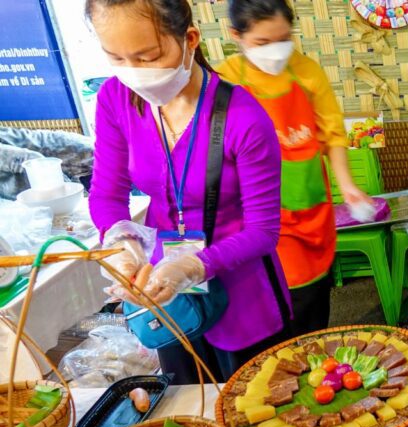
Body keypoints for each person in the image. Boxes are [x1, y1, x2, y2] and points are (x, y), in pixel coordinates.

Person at [87, 0, 291, 384]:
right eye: (116, 58)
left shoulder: (243, 117)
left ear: (190, 39)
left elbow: (264, 231)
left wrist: (193, 266)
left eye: (148, 57)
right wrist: (124, 245)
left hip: (240, 286)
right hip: (164, 289)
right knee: (185, 398)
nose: (133, 72)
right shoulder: (115, 101)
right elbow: (107, 194)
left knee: (253, 405)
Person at [217, 0, 373, 336]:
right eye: (262, 43)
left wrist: (346, 184)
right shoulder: (225, 78)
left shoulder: (307, 70)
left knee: (315, 295)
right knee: (282, 298)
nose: (276, 51)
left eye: (284, 39)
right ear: (236, 36)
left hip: (310, 202)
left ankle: (313, 356)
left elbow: (332, 133)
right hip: (259, 210)